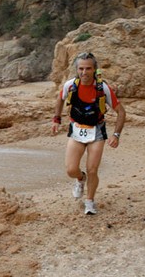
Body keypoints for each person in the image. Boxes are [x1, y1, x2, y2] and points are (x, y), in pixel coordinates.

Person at [51, 52, 126, 215]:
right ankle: (80, 179)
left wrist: (116, 135)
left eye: (88, 69)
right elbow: (60, 99)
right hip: (76, 129)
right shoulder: (70, 85)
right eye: (81, 69)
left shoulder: (102, 88)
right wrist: (56, 119)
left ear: (94, 70)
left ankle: (90, 202)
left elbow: (121, 112)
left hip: (97, 131)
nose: (84, 73)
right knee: (71, 170)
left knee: (92, 169)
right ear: (76, 70)